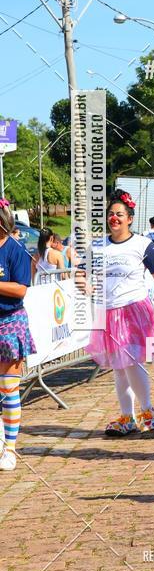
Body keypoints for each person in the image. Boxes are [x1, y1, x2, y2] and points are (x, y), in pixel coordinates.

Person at [83, 189, 154, 436]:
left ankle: (148, 413)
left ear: (130, 218)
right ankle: (127, 417)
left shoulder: (143, 244)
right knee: (119, 367)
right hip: (109, 313)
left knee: (131, 362)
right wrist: (85, 284)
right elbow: (81, 272)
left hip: (134, 310)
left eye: (119, 214)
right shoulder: (97, 246)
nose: (114, 218)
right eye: (111, 214)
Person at [0, 200, 35, 471]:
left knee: (8, 387)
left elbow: (21, 288)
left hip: (10, 322)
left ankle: (10, 449)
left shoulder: (16, 250)